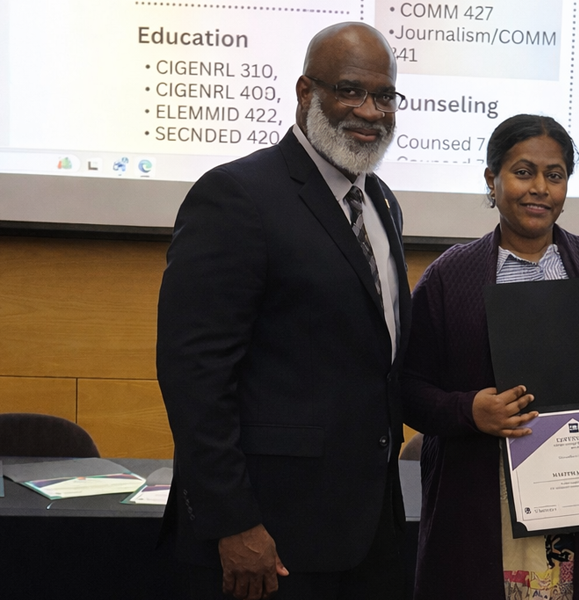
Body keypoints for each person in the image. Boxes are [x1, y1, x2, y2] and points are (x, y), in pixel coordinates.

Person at [156, 22, 412, 600]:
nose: (370, 112)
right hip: (268, 540)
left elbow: (376, 361)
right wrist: (232, 521)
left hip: (367, 533)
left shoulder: (380, 201)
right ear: (305, 92)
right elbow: (194, 376)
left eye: (385, 96)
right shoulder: (236, 196)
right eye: (351, 91)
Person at [402, 114, 579, 600]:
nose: (540, 189)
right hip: (484, 514)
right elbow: (408, 389)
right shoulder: (450, 276)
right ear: (492, 180)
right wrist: (469, 410)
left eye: (555, 175)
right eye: (523, 171)